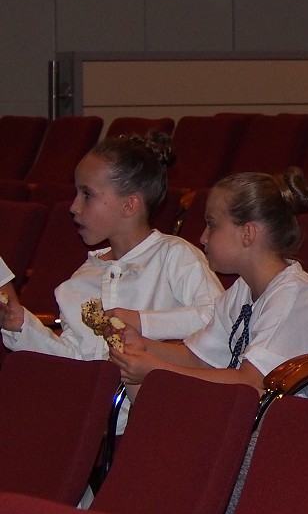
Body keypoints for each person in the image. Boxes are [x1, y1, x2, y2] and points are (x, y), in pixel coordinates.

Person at [0, 131, 223, 425]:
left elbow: (218, 320)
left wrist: (140, 321)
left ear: (129, 205)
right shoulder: (84, 277)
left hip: (160, 421)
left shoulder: (174, 256)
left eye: (87, 195)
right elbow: (76, 361)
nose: (74, 206)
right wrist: (23, 327)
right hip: (92, 424)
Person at [109, 168, 308, 395]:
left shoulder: (294, 297)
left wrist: (155, 369)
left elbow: (250, 384)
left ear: (247, 233)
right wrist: (143, 345)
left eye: (211, 225)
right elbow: (200, 358)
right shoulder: (244, 289)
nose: (203, 237)